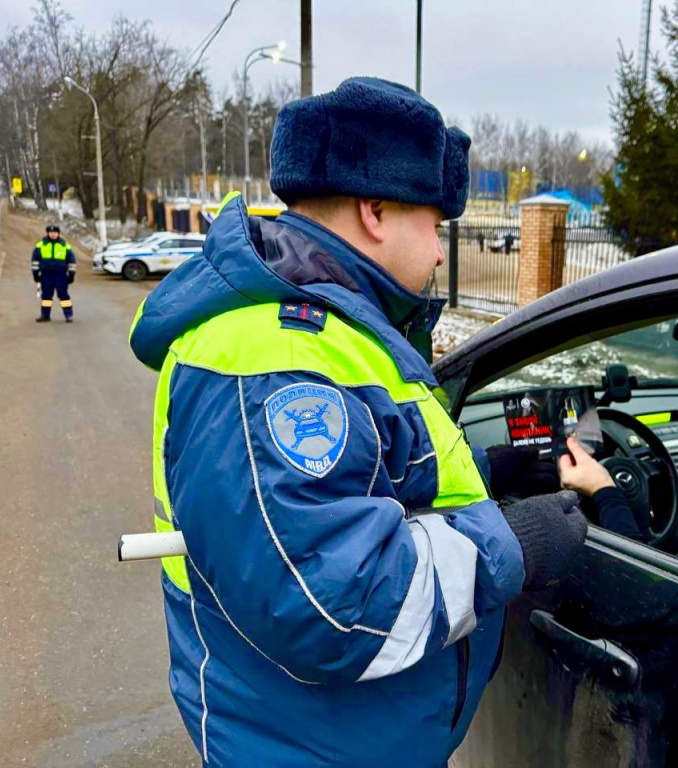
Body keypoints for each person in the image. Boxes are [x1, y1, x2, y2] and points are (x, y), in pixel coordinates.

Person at [128, 78, 588, 767]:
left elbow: (357, 475)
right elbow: (329, 604)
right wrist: (516, 543)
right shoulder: (273, 356)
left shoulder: (329, 331)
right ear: (374, 211)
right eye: (435, 227)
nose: (439, 254)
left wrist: (494, 474)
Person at [31, 224, 76, 322]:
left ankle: (68, 315)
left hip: (61, 275)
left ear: (58, 234)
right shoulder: (41, 245)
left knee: (63, 295)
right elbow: (35, 261)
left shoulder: (65, 246)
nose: (53, 235)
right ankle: (45, 315)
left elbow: (72, 261)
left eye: (55, 233)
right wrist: (35, 273)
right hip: (46, 275)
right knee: (46, 296)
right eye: (51, 233)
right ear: (48, 233)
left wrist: (71, 274)